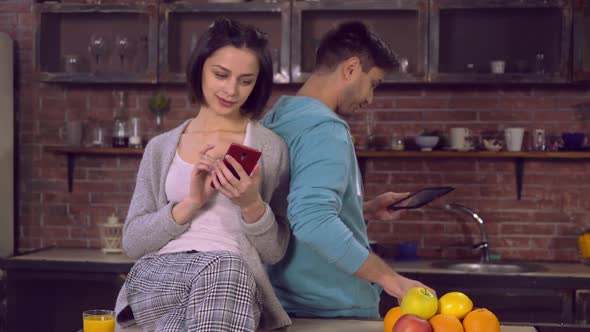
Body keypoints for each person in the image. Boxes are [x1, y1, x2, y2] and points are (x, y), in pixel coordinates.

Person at [114, 18, 291, 331]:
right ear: (200, 68)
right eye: (221, 75)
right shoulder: (161, 147)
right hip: (159, 278)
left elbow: (273, 252)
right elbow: (133, 242)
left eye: (246, 81)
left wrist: (251, 205)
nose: (231, 90)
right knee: (226, 265)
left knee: (222, 278)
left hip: (233, 287)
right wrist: (192, 202)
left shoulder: (271, 148)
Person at [261, 21, 435, 318]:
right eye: (373, 84)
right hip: (334, 307)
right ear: (351, 68)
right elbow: (312, 219)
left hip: (283, 304)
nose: (370, 98)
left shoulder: (276, 117)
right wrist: (391, 280)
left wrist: (362, 210)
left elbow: (287, 208)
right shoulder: (326, 128)